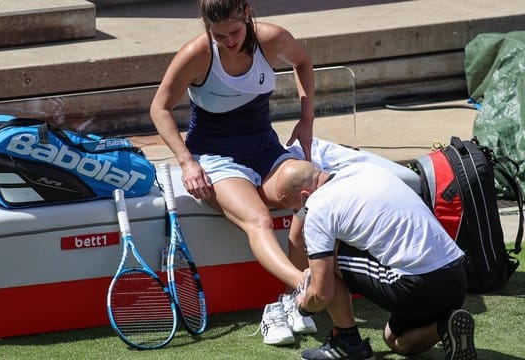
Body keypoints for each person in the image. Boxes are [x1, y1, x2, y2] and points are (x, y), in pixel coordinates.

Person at [150, 1, 314, 297]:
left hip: (265, 150)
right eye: (219, 35)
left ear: (247, 14)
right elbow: (159, 108)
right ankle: (304, 287)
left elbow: (302, 61)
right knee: (259, 219)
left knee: (311, 191)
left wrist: (306, 117)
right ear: (207, 27)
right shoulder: (196, 54)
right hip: (215, 159)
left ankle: (293, 300)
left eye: (234, 32)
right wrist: (187, 163)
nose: (229, 41)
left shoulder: (272, 38)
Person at [273, 160, 477, 359]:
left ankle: (347, 342)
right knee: (394, 340)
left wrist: (303, 306)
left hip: (417, 285)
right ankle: (445, 326)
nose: (299, 215)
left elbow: (321, 293)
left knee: (326, 264)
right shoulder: (364, 169)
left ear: (305, 195)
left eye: (295, 209)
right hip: (456, 277)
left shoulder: (318, 207)